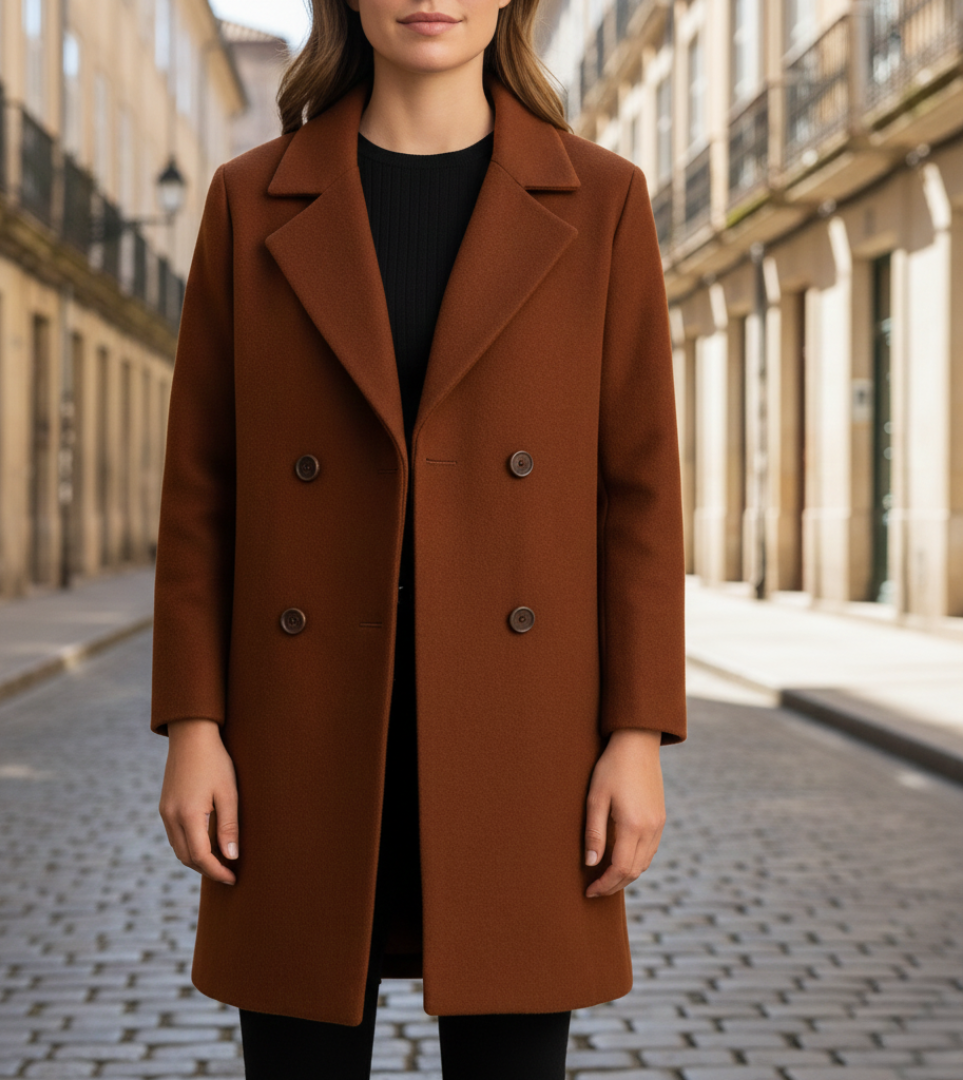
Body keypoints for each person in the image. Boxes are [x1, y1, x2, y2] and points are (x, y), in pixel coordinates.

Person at [150, 1, 687, 1077]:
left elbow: (638, 497)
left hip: (523, 736)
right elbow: (203, 489)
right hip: (301, 729)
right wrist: (194, 724)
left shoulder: (605, 200)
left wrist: (638, 735)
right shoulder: (251, 199)